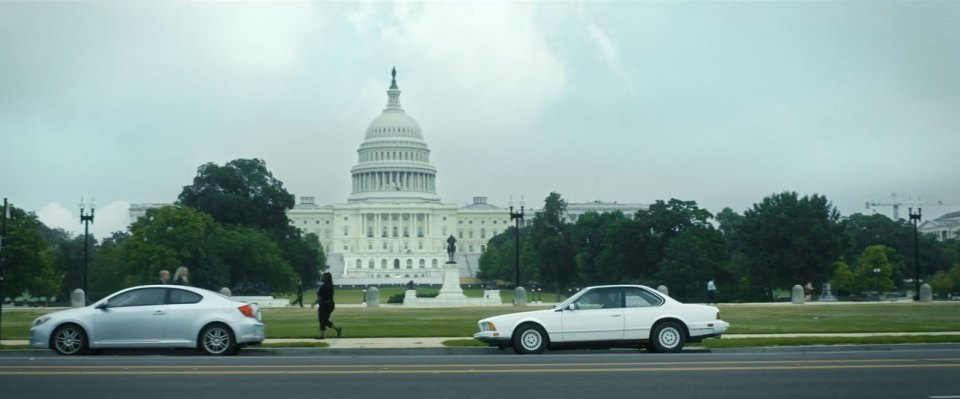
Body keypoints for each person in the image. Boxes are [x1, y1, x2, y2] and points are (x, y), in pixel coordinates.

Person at [311, 272, 342, 339]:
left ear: (325, 278)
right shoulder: (331, 286)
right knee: (324, 320)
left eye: (323, 277)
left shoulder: (323, 287)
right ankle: (337, 329)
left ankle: (322, 335)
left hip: (325, 305)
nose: (322, 278)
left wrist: (315, 302)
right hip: (331, 304)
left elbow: (320, 298)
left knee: (322, 320)